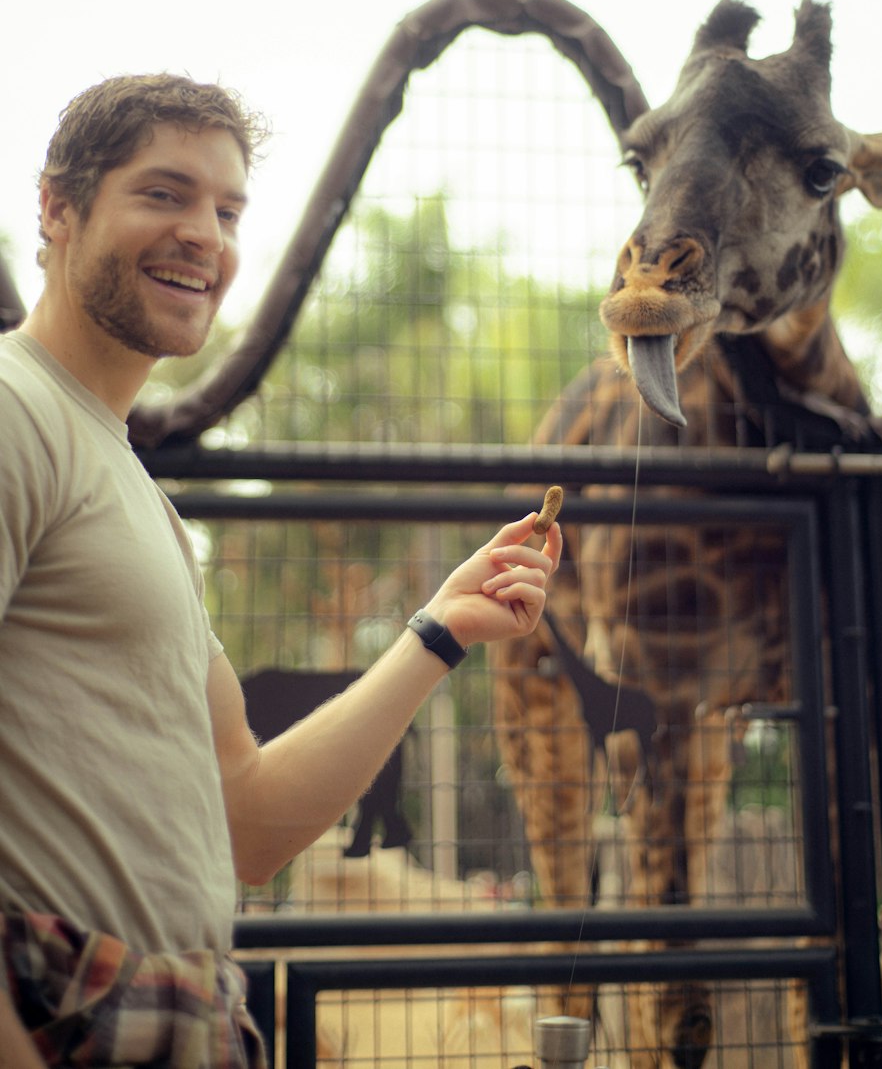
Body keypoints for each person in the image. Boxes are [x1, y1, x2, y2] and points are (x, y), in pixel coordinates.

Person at [0, 74, 561, 1068]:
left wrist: (441, 628)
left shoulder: (137, 496)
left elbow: (247, 820)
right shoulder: (15, 410)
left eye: (226, 209)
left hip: (181, 1015)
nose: (205, 235)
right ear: (56, 205)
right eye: (163, 193)